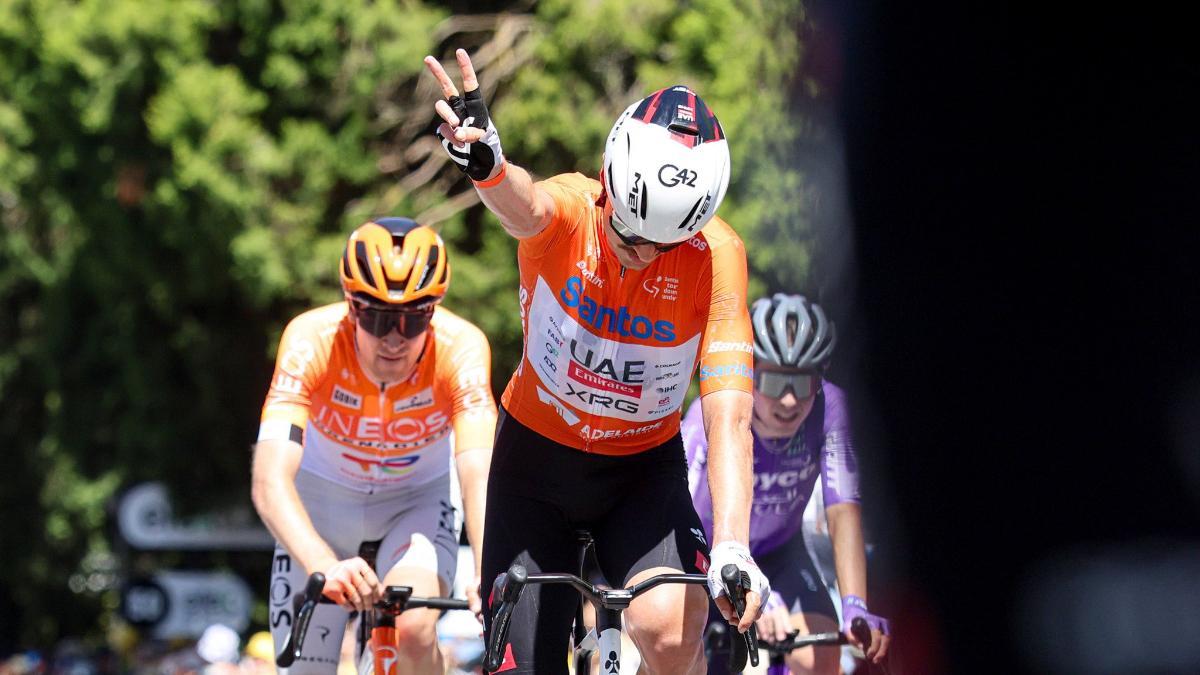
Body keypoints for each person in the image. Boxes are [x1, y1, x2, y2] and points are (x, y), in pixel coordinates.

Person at [423, 49, 769, 674]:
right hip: (535, 465)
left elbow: (729, 415)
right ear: (610, 183)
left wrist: (735, 546)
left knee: (672, 633)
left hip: (641, 475)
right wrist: (490, 168)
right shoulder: (572, 210)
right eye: (633, 234)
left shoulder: (717, 256)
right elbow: (523, 205)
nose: (645, 255)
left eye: (665, 243)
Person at [252, 218, 497, 674]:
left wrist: (488, 568)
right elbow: (269, 480)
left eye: (413, 318)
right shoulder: (311, 340)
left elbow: (477, 470)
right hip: (321, 509)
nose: (394, 338)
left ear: (434, 311)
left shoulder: (461, 346)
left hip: (416, 503)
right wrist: (324, 563)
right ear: (350, 306)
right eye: (377, 317)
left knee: (413, 629)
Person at [684, 294, 891, 674]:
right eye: (776, 380)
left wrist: (855, 605)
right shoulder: (708, 414)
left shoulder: (832, 409)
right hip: (705, 557)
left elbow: (844, 509)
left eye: (805, 381)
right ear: (749, 370)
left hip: (781, 552)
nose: (791, 399)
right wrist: (741, 586)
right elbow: (683, 517)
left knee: (823, 658)